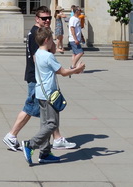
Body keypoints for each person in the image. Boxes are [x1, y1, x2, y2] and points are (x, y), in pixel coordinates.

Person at [3, 6, 77, 153]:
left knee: (49, 110)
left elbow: (53, 49)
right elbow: (38, 58)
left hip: (39, 78)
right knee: (31, 108)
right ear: (37, 19)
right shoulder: (35, 34)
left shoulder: (42, 33)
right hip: (36, 78)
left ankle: (57, 139)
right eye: (44, 18)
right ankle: (11, 135)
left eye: (49, 18)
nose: (48, 20)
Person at [21, 26, 85, 165]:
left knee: (45, 124)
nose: (53, 42)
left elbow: (53, 71)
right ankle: (30, 144)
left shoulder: (37, 53)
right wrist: (77, 69)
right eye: (51, 40)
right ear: (46, 40)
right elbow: (62, 72)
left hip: (40, 93)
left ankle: (44, 153)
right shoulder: (48, 56)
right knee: (52, 124)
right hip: (50, 93)